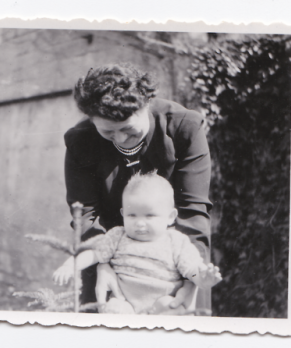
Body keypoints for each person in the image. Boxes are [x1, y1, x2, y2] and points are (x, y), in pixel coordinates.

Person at [64, 63, 212, 311]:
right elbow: (85, 216)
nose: (120, 139)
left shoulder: (184, 129)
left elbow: (192, 212)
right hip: (109, 255)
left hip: (176, 258)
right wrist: (103, 263)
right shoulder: (81, 141)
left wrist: (191, 277)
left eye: (128, 130)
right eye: (108, 132)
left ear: (146, 106)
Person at [54, 173, 221, 314]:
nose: (140, 223)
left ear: (170, 217)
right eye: (132, 215)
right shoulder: (118, 236)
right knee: (113, 309)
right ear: (123, 213)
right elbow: (93, 254)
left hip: (162, 302)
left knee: (170, 308)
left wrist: (202, 278)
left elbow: (190, 269)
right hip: (125, 301)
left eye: (149, 216)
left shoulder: (176, 241)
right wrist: (70, 265)